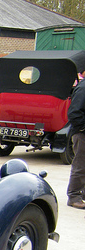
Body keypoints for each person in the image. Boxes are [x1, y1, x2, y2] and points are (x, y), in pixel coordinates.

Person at [66, 68, 85, 209]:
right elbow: (74, 113)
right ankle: (73, 196)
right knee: (80, 165)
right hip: (82, 134)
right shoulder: (83, 88)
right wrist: (83, 128)